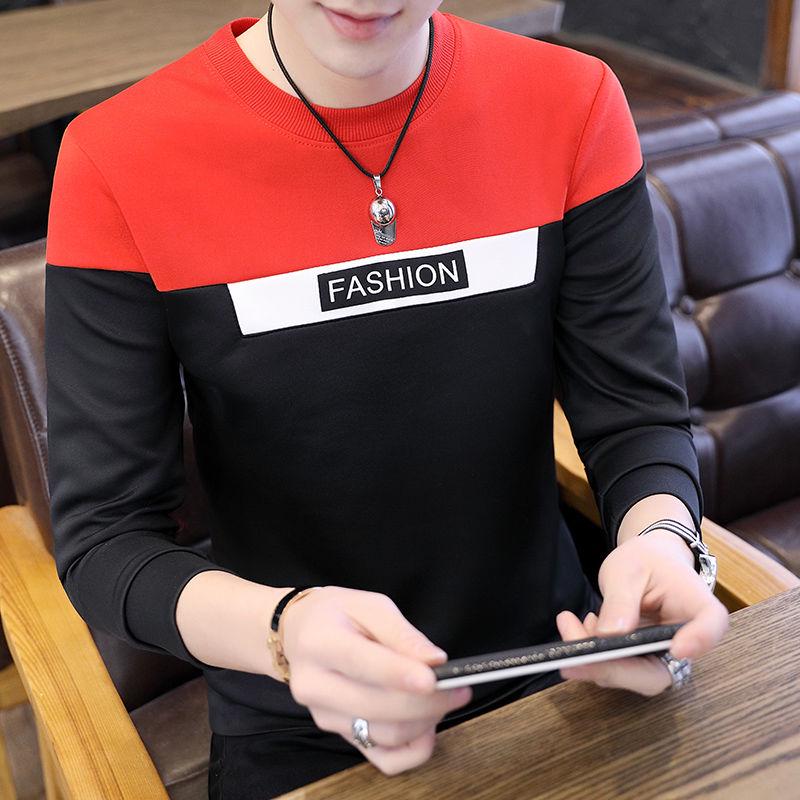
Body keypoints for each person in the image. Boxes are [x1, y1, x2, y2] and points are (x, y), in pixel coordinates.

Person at [43, 2, 729, 798]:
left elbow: (635, 415)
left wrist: (663, 542)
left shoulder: (571, 100)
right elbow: (106, 540)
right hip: (300, 709)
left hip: (565, 664)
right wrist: (284, 631)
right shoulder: (118, 155)